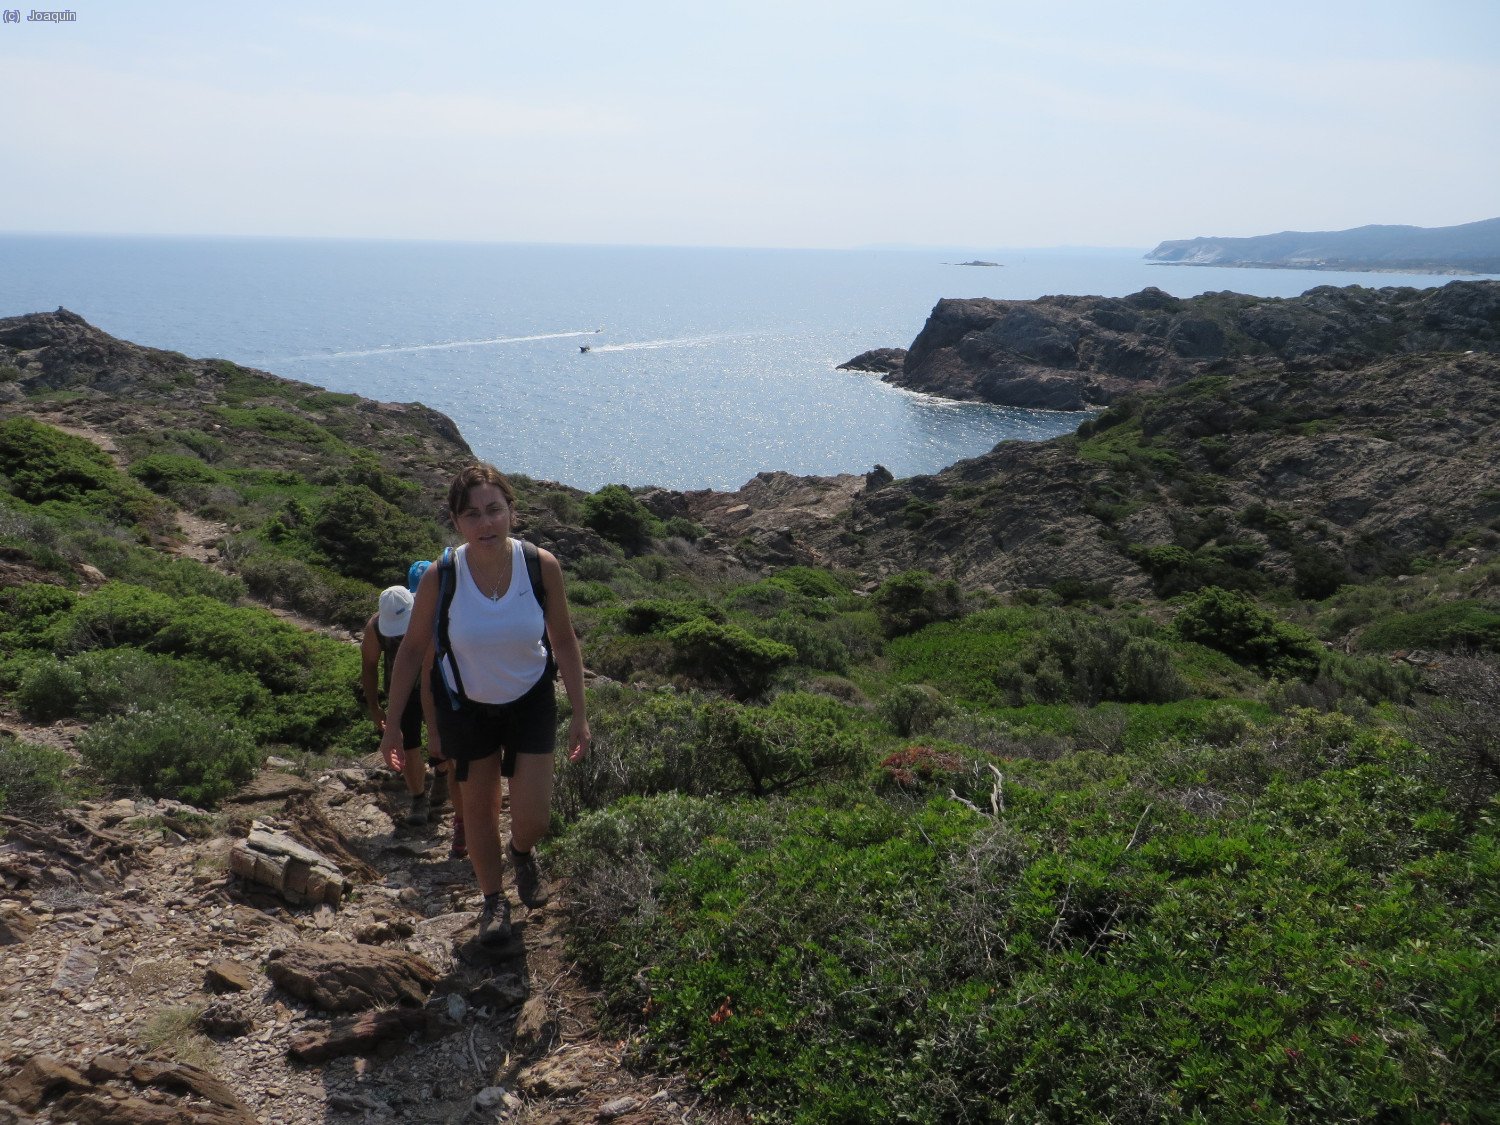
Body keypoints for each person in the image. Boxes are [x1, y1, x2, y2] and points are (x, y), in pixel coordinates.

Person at [378, 463, 590, 946]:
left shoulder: (540, 565)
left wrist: (580, 713)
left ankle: (521, 852)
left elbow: (563, 638)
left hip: (530, 699)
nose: (485, 523)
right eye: (472, 514)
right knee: (478, 812)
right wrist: (393, 725)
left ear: (511, 511)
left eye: (494, 510)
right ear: (457, 522)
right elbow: (411, 651)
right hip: (465, 706)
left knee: (534, 816)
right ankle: (493, 901)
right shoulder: (442, 576)